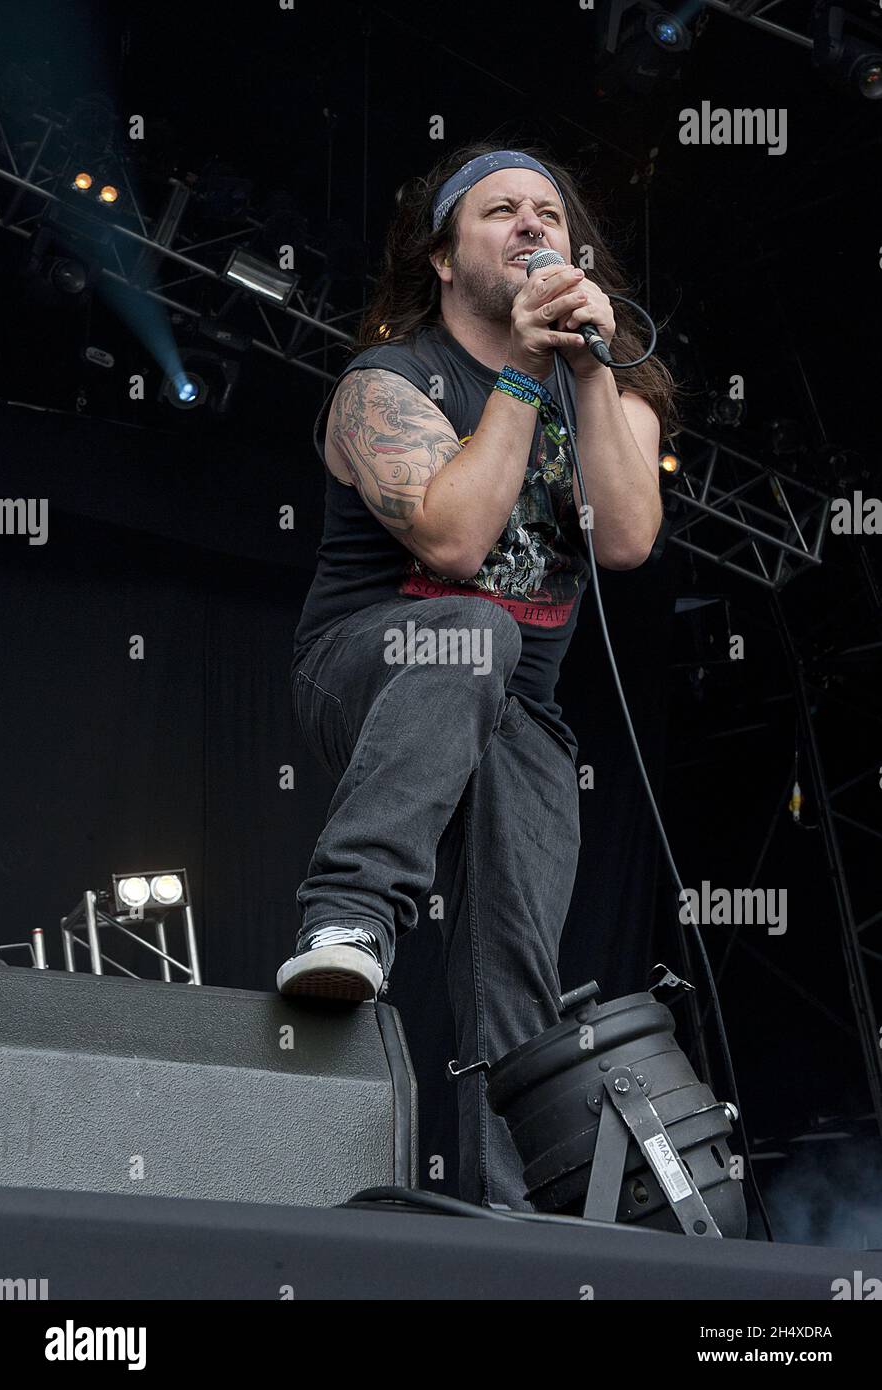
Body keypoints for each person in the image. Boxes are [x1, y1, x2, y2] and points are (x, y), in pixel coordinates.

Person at [278, 142, 678, 1210]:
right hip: (365, 672)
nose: (529, 225)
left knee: (517, 979)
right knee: (473, 630)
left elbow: (627, 537)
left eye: (547, 212)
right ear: (445, 260)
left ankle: (510, 1214)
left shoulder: (610, 392)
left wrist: (585, 366)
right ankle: (349, 912)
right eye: (498, 211)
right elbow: (453, 543)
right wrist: (519, 374)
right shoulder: (387, 382)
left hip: (518, 719)